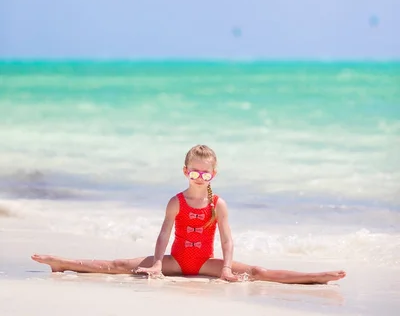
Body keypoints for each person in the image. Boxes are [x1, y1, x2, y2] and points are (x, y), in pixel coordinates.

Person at [32, 145, 346, 284]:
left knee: (259, 270)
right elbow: (163, 235)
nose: (199, 177)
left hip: (207, 264)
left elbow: (227, 238)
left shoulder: (218, 204)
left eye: (205, 173)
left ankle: (316, 276)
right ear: (186, 171)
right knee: (117, 265)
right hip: (175, 261)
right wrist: (156, 264)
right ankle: (63, 263)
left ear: (214, 174)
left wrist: (225, 269)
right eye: (194, 171)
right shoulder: (176, 201)